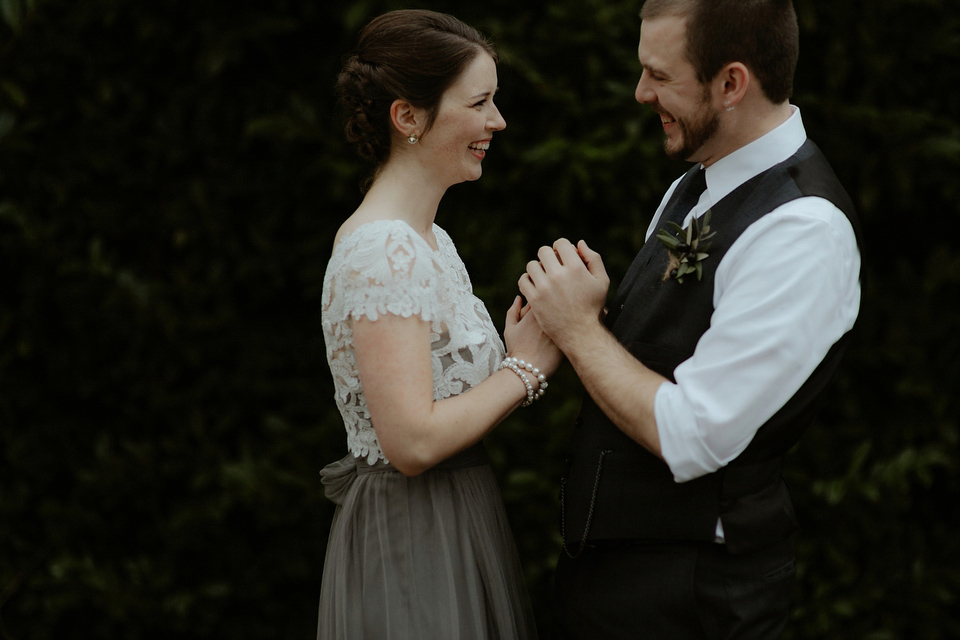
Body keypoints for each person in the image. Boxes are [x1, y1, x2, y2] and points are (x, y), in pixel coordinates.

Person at [518, 0, 862, 638]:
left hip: (694, 599)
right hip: (615, 582)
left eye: (660, 75)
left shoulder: (803, 230)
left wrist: (578, 328)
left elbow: (693, 434)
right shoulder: (694, 185)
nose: (640, 92)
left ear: (731, 83)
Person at [317, 9, 559, 640]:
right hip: (414, 534)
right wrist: (525, 368)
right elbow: (413, 442)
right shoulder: (384, 250)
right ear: (408, 118)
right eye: (479, 102)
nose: (497, 122)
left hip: (453, 516)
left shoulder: (430, 239)